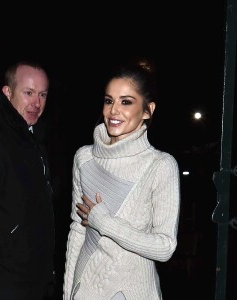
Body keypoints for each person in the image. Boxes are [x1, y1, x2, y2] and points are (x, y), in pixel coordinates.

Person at [63, 57, 181, 300]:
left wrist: (104, 223)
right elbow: (77, 231)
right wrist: (67, 292)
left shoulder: (160, 166)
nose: (114, 111)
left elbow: (165, 247)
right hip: (83, 290)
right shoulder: (84, 158)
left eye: (126, 102)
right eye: (109, 101)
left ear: (148, 110)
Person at [0, 61, 56, 300]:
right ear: (8, 92)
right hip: (4, 283)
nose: (37, 103)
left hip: (34, 280)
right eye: (29, 93)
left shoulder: (33, 139)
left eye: (42, 94)